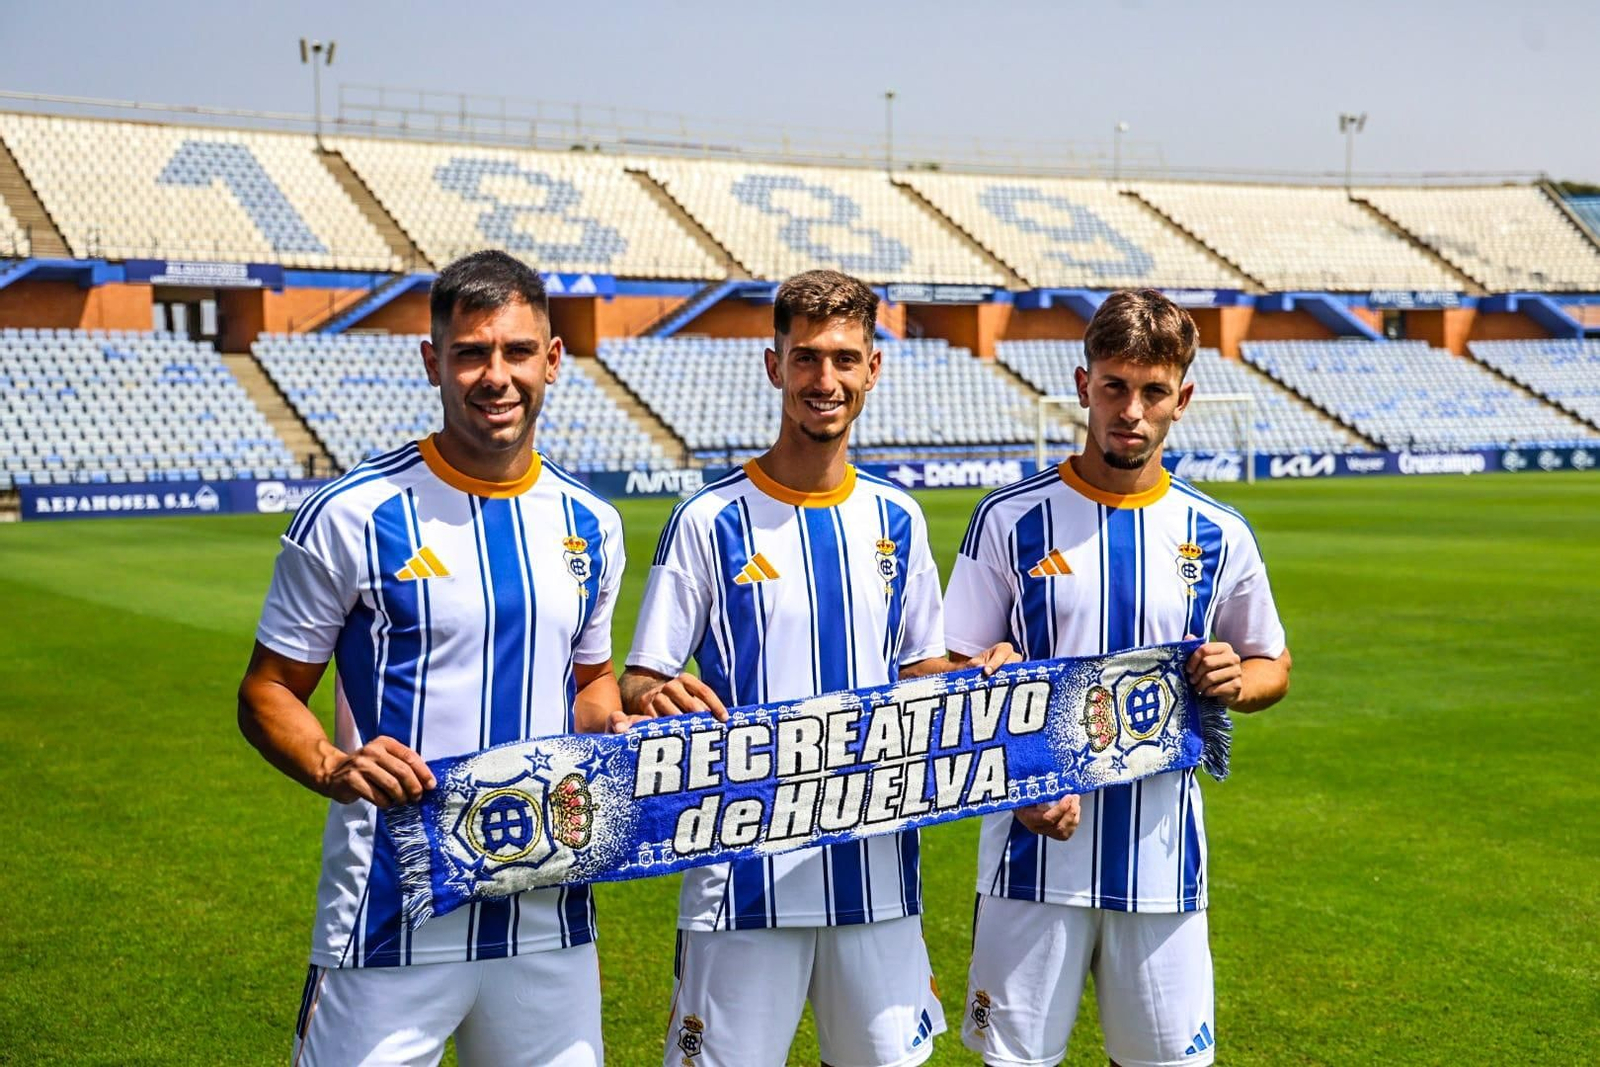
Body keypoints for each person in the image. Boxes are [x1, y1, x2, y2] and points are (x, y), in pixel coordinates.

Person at [237, 250, 624, 1066]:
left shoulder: (592, 524)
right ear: (433, 362)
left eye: (518, 351)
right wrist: (332, 764)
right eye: (471, 352)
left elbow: (589, 684)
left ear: (553, 359)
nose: (496, 376)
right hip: (386, 918)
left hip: (548, 918)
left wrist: (629, 719)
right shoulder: (350, 514)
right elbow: (268, 689)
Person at [620, 269, 1014, 1067]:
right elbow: (637, 679)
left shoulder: (897, 519)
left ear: (873, 367)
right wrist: (658, 695)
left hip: (873, 876)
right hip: (738, 881)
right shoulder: (707, 520)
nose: (823, 379)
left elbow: (921, 674)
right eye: (805, 358)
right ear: (775, 368)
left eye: (842, 358)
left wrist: (975, 685)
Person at [947, 289, 1292, 1067]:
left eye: (1152, 391)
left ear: (1183, 398)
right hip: (1028, 859)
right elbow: (951, 671)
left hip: (1164, 865)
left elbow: (1274, 662)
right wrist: (984, 686)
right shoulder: (1008, 519)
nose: (1130, 409)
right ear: (1083, 385)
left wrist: (1240, 679)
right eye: (1114, 386)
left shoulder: (1218, 533)